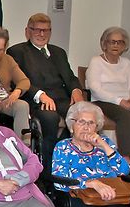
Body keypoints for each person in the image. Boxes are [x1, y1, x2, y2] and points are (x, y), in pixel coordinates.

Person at [8, 13, 84, 167]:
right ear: (27, 31)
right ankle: (47, 169)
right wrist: (40, 94)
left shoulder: (59, 52)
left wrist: (76, 90)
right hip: (37, 100)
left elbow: (70, 77)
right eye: (36, 30)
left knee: (80, 116)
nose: (41, 34)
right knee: (50, 119)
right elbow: (20, 80)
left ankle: (68, 161)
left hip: (62, 98)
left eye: (46, 30)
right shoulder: (17, 52)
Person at [86, 26, 130, 171]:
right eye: (112, 42)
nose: (115, 45)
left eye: (119, 42)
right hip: (102, 101)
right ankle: (125, 158)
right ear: (104, 44)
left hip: (124, 101)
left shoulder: (126, 63)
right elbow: (95, 88)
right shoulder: (96, 61)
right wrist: (120, 101)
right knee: (125, 115)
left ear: (124, 46)